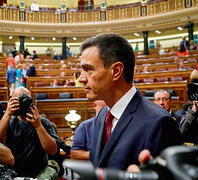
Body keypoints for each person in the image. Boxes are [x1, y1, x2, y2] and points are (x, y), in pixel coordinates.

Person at [78, 33, 183, 170]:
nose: (81, 78)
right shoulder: (103, 114)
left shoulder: (159, 122)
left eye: (88, 70)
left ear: (116, 71)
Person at [0, 87, 61, 178]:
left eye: (25, 101)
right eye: (18, 102)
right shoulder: (8, 121)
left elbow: (52, 151)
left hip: (38, 174)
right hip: (13, 175)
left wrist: (38, 126)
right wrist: (7, 114)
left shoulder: (43, 122)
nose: (22, 105)